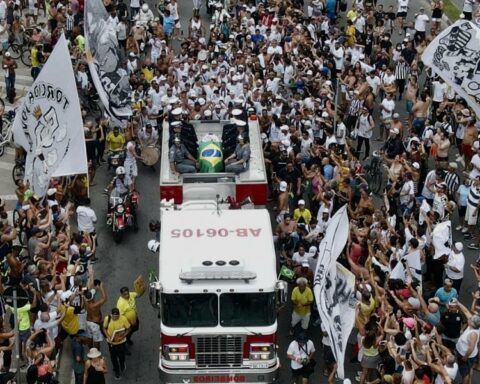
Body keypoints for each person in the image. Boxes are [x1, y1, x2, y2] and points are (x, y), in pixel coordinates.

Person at [103, 308, 130, 380]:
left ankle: (122, 364)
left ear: (119, 315)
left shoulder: (123, 319)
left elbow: (128, 329)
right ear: (111, 315)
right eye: (113, 317)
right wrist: (108, 337)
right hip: (111, 342)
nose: (114, 318)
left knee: (122, 356)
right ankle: (117, 371)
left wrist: (122, 337)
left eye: (116, 317)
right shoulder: (107, 319)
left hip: (121, 342)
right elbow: (104, 328)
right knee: (113, 357)